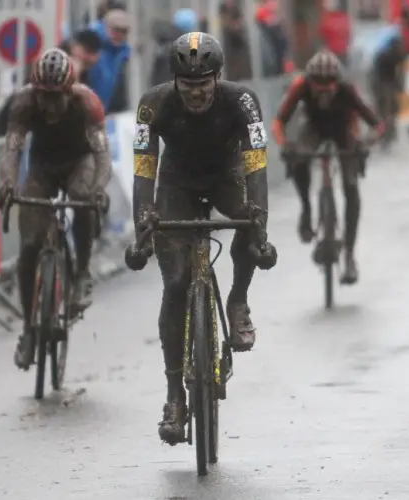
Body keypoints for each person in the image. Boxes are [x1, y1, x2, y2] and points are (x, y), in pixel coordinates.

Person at [123, 32, 277, 445]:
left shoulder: (242, 101)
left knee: (249, 222)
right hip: (176, 183)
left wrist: (258, 220)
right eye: (187, 87)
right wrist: (144, 217)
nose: (195, 95)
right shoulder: (151, 104)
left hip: (225, 176)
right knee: (174, 285)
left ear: (218, 78)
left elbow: (256, 162)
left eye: (203, 86)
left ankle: (238, 298)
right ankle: (175, 396)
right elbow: (143, 165)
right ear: (174, 82)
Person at [0, 48, 113, 370]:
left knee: (83, 196)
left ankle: (82, 272)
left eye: (55, 97)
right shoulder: (23, 103)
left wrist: (99, 190)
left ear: (69, 90)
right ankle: (29, 329)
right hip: (43, 167)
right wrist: (7, 184)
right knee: (30, 244)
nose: (48, 106)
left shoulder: (86, 103)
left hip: (80, 161)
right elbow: (12, 152)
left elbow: (103, 157)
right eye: (42, 97)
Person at [271, 50, 382, 285]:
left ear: (337, 84)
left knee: (351, 185)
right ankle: (307, 209)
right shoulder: (300, 85)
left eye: (328, 89)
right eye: (317, 89)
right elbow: (278, 122)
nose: (322, 94)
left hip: (343, 129)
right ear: (309, 83)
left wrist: (367, 142)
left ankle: (349, 255)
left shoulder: (347, 88)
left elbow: (377, 124)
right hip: (314, 128)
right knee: (299, 158)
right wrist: (285, 145)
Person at [371, 27, 406, 148]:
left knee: (391, 111)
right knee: (385, 112)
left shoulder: (391, 55)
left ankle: (388, 134)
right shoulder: (385, 56)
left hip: (387, 85)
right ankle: (385, 135)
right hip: (383, 85)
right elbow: (377, 76)